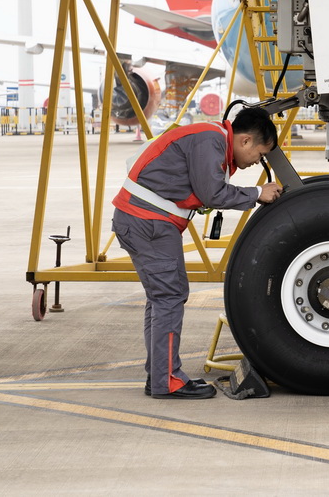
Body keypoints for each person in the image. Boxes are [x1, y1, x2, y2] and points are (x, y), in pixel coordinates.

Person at [112, 106, 283, 399]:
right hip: (148, 223)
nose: (257, 162)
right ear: (244, 141)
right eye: (259, 154)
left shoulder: (210, 138)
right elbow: (212, 194)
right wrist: (257, 194)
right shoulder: (210, 140)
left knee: (163, 297)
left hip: (145, 221)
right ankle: (166, 380)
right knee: (168, 296)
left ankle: (159, 374)